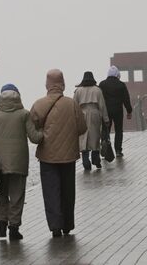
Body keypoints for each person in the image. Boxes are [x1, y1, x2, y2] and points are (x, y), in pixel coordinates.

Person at [0, 84, 43, 241]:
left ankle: (2, 225)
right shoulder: (24, 114)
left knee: (2, 193)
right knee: (17, 195)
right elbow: (34, 137)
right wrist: (44, 132)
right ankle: (14, 228)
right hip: (19, 162)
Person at [30, 69, 87, 237]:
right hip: (68, 156)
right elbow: (83, 128)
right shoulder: (71, 104)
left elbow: (31, 130)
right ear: (62, 83)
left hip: (47, 157)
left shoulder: (39, 105)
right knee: (68, 191)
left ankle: (55, 225)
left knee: (50, 191)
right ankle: (67, 224)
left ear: (47, 84)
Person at [74, 72, 110, 170]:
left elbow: (75, 106)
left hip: (82, 113)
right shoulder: (97, 90)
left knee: (83, 137)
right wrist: (106, 119)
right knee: (95, 136)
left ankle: (86, 161)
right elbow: (102, 105)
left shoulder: (78, 91)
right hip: (95, 113)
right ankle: (95, 158)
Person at [99, 66, 133, 158]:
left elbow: (99, 98)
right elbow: (126, 99)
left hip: (106, 112)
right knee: (118, 130)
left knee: (106, 130)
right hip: (118, 111)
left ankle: (105, 149)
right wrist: (129, 111)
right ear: (117, 74)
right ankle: (118, 150)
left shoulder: (102, 84)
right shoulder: (121, 85)